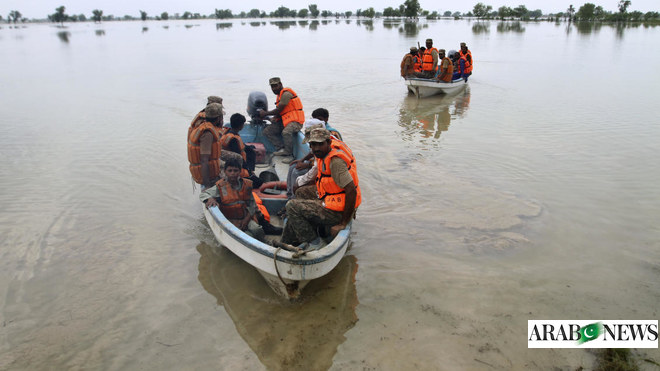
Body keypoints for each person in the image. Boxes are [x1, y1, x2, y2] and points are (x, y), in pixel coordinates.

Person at [281, 128, 361, 247]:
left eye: (320, 144)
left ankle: (313, 242)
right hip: (330, 197)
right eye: (313, 144)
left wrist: (343, 223)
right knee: (301, 192)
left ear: (329, 143)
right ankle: (290, 239)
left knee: (291, 206)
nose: (316, 148)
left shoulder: (335, 162)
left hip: (339, 210)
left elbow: (351, 191)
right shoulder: (322, 154)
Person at [200, 158, 266, 241]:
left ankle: (264, 242)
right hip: (229, 220)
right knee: (248, 236)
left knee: (257, 230)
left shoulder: (247, 185)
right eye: (230, 171)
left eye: (235, 171)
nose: (232, 173)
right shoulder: (221, 186)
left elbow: (252, 205)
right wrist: (210, 199)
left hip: (244, 217)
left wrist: (246, 220)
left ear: (240, 171)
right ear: (225, 171)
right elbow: (203, 194)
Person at [258, 77, 305, 161]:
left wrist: (265, 113)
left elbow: (279, 109)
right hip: (286, 121)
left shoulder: (286, 94)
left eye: (276, 86)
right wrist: (273, 118)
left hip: (296, 122)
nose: (274, 88)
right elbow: (281, 112)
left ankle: (288, 153)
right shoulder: (279, 96)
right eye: (272, 87)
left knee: (286, 132)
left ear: (281, 84)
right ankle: (281, 148)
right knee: (267, 131)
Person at [188, 102, 223, 188]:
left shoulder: (202, 126)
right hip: (207, 176)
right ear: (218, 118)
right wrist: (207, 186)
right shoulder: (207, 133)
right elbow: (204, 160)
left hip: (204, 168)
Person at [221, 113, 256, 177]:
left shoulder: (228, 132)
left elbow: (241, 145)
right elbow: (238, 157)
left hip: (229, 159)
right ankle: (250, 174)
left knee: (250, 150)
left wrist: (248, 147)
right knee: (258, 182)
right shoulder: (233, 139)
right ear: (241, 126)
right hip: (236, 165)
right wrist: (248, 170)